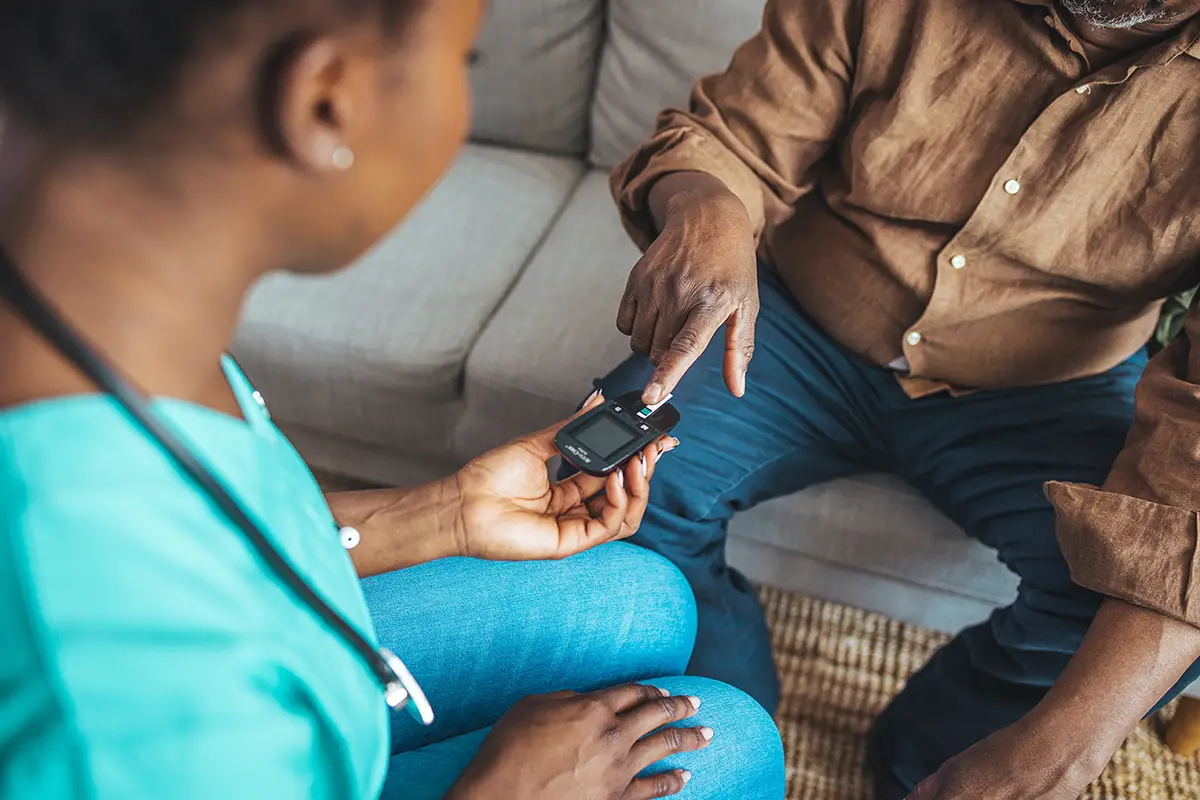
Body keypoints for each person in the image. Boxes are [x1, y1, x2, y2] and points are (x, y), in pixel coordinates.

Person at [0, 1, 786, 799]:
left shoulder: (97, 321)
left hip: (269, 648)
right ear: (325, 100)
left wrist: (446, 513)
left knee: (642, 597)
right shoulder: (99, 704)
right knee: (734, 745)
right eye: (463, 63)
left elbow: (216, 526)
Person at [589, 0, 1200, 797]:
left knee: (1116, 632)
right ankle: (726, 710)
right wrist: (706, 206)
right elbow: (731, 136)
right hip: (796, 322)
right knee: (606, 463)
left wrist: (1064, 752)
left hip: (1049, 389)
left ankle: (919, 759)